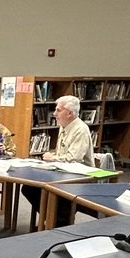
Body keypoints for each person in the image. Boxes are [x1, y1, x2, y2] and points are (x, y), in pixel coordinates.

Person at [21, 95, 94, 223]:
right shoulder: (64, 125)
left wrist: (53, 158)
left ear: (69, 113)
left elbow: (74, 159)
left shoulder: (80, 130)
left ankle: (56, 221)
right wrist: (53, 156)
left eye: (58, 110)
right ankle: (51, 218)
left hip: (79, 177)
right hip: (61, 172)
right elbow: (62, 153)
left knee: (57, 195)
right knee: (29, 188)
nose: (54, 114)